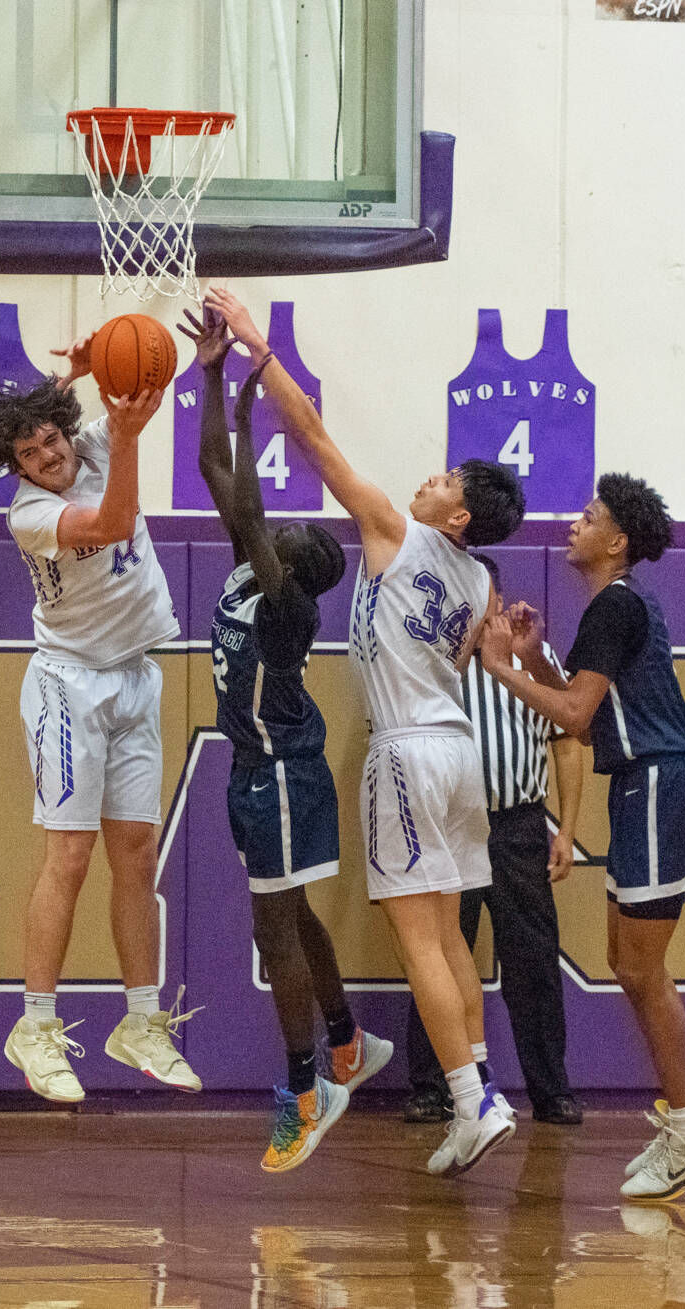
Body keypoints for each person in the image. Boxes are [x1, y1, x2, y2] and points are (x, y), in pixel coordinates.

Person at [205, 286, 525, 1178]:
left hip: (409, 752)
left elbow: (309, 435)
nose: (429, 479)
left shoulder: (393, 530)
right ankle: (483, 1090)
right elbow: (460, 657)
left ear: (455, 515)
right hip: (460, 752)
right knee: (453, 934)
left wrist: (260, 354)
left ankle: (467, 1098)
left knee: (417, 936)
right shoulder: (480, 579)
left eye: (445, 481)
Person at [180, 306, 393, 1171]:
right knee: (294, 915)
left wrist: (252, 405)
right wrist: (213, 383)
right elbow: (212, 470)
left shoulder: (290, 603)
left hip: (283, 773)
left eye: (306, 539)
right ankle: (344, 1040)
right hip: (254, 769)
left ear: (300, 569)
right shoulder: (247, 563)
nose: (302, 526)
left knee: (274, 933)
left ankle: (308, 1087)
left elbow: (259, 518)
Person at [0, 337, 201, 1104]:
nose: (48, 457)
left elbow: (141, 389)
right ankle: (34, 1025)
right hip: (69, 686)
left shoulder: (95, 439)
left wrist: (100, 361)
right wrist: (123, 433)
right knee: (70, 854)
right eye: (30, 454)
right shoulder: (30, 514)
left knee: (136, 854)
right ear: (20, 470)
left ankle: (139, 1019)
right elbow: (112, 522)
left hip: (135, 673)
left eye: (51, 440)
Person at [479, 473, 685, 1201]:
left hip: (658, 781)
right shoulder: (614, 608)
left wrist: (497, 665)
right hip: (645, 784)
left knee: (642, 969)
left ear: (616, 542)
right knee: (627, 961)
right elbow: (589, 695)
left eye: (588, 516)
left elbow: (577, 716)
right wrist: (532, 658)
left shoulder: (615, 605)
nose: (573, 523)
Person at [403, 552, 584, 1129]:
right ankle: (434, 1087)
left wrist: (569, 828)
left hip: (518, 825)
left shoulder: (535, 657)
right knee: (435, 951)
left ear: (496, 599)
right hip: (449, 824)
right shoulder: (428, 660)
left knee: (532, 960)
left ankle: (550, 1090)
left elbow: (567, 742)